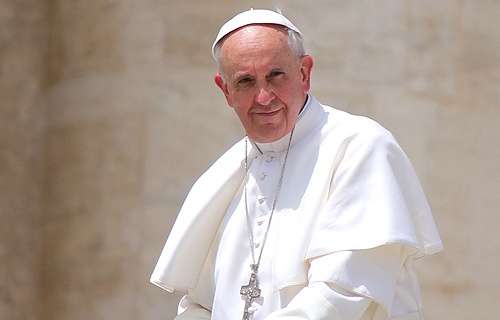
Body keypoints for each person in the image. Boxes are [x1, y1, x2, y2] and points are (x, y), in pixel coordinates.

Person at [151, 8, 443, 320]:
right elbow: (200, 303)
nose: (263, 97)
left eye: (276, 75)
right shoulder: (222, 176)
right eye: (246, 81)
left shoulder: (360, 146)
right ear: (226, 90)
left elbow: (342, 295)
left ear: (304, 73)